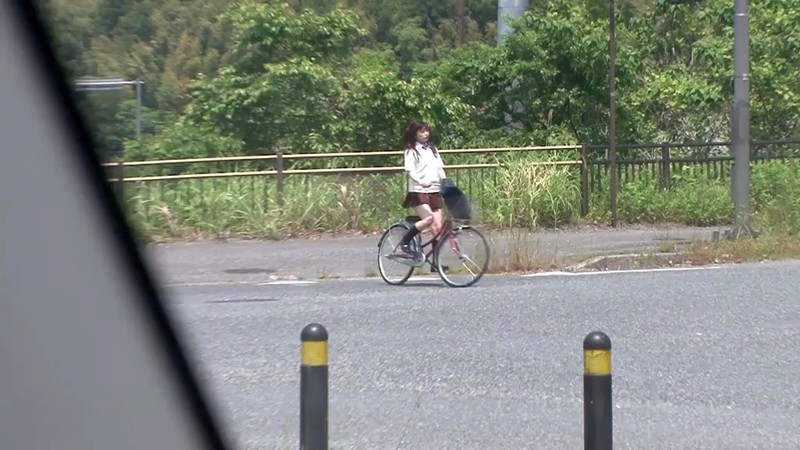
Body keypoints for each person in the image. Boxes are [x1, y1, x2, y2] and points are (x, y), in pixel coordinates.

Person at [398, 121, 447, 269]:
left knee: (437, 227)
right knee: (428, 219)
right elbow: (410, 171)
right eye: (422, 131)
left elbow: (439, 169)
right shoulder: (411, 150)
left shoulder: (432, 148)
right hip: (419, 191)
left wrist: (446, 183)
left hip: (434, 190)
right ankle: (405, 241)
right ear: (415, 134)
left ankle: (436, 263)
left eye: (427, 131)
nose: (425, 134)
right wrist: (421, 181)